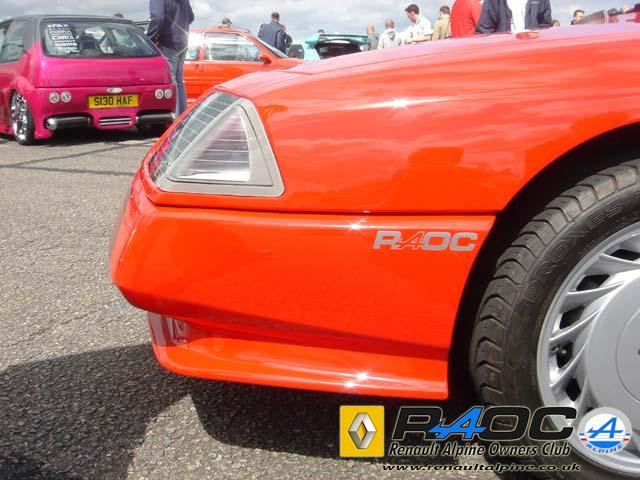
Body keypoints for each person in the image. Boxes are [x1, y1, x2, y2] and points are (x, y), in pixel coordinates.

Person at [147, 0, 194, 116]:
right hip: (182, 42)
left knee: (172, 81)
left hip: (168, 42)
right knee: (179, 80)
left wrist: (150, 38)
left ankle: (175, 117)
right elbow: (191, 17)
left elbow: (157, 17)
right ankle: (183, 115)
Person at [476, 0, 552, 33]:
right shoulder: (494, 1)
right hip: (505, 55)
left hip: (533, 54)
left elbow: (546, 29)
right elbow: (485, 31)